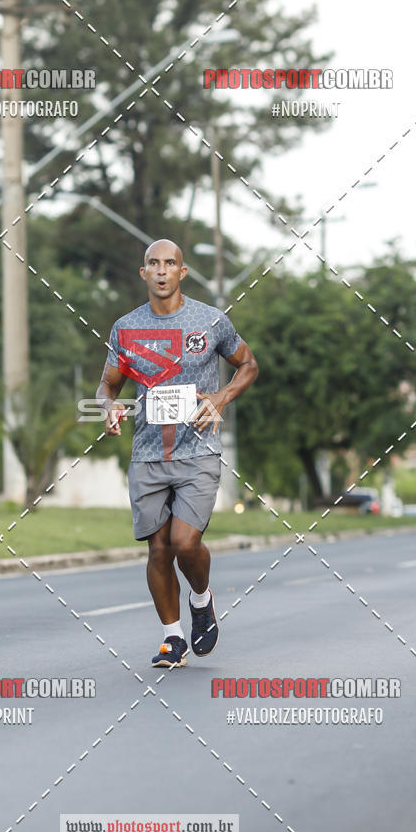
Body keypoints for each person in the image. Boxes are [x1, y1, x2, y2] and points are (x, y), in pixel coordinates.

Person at [96, 240, 258, 667]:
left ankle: (201, 600)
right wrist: (108, 406)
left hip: (198, 451)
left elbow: (249, 365)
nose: (163, 270)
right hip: (148, 452)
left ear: (182, 273)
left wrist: (220, 399)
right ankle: (172, 638)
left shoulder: (210, 320)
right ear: (143, 272)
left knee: (186, 544)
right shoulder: (126, 328)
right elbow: (108, 384)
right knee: (158, 550)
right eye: (154, 263)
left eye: (171, 264)